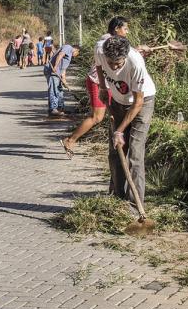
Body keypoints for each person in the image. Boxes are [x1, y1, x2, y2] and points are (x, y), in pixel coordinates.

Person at [96, 35, 156, 208]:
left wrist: (119, 130)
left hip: (142, 103)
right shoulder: (100, 50)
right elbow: (99, 66)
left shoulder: (136, 63)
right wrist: (102, 87)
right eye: (111, 63)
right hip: (117, 101)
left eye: (118, 63)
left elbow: (138, 103)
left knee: (135, 154)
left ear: (125, 56)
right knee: (116, 151)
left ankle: (135, 204)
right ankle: (117, 198)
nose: (114, 68)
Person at [60, 17, 130, 158]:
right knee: (97, 117)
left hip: (108, 83)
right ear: (116, 29)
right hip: (98, 82)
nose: (127, 32)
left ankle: (116, 147)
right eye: (125, 28)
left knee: (113, 115)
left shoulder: (116, 42)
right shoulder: (105, 42)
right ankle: (70, 140)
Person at [43, 43, 80, 116]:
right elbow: (60, 54)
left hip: (58, 72)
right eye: (78, 54)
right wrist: (55, 66)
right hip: (52, 70)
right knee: (54, 90)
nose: (76, 56)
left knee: (59, 90)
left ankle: (60, 108)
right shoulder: (68, 47)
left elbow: (63, 69)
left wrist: (64, 81)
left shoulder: (69, 55)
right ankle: (53, 109)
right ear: (77, 50)